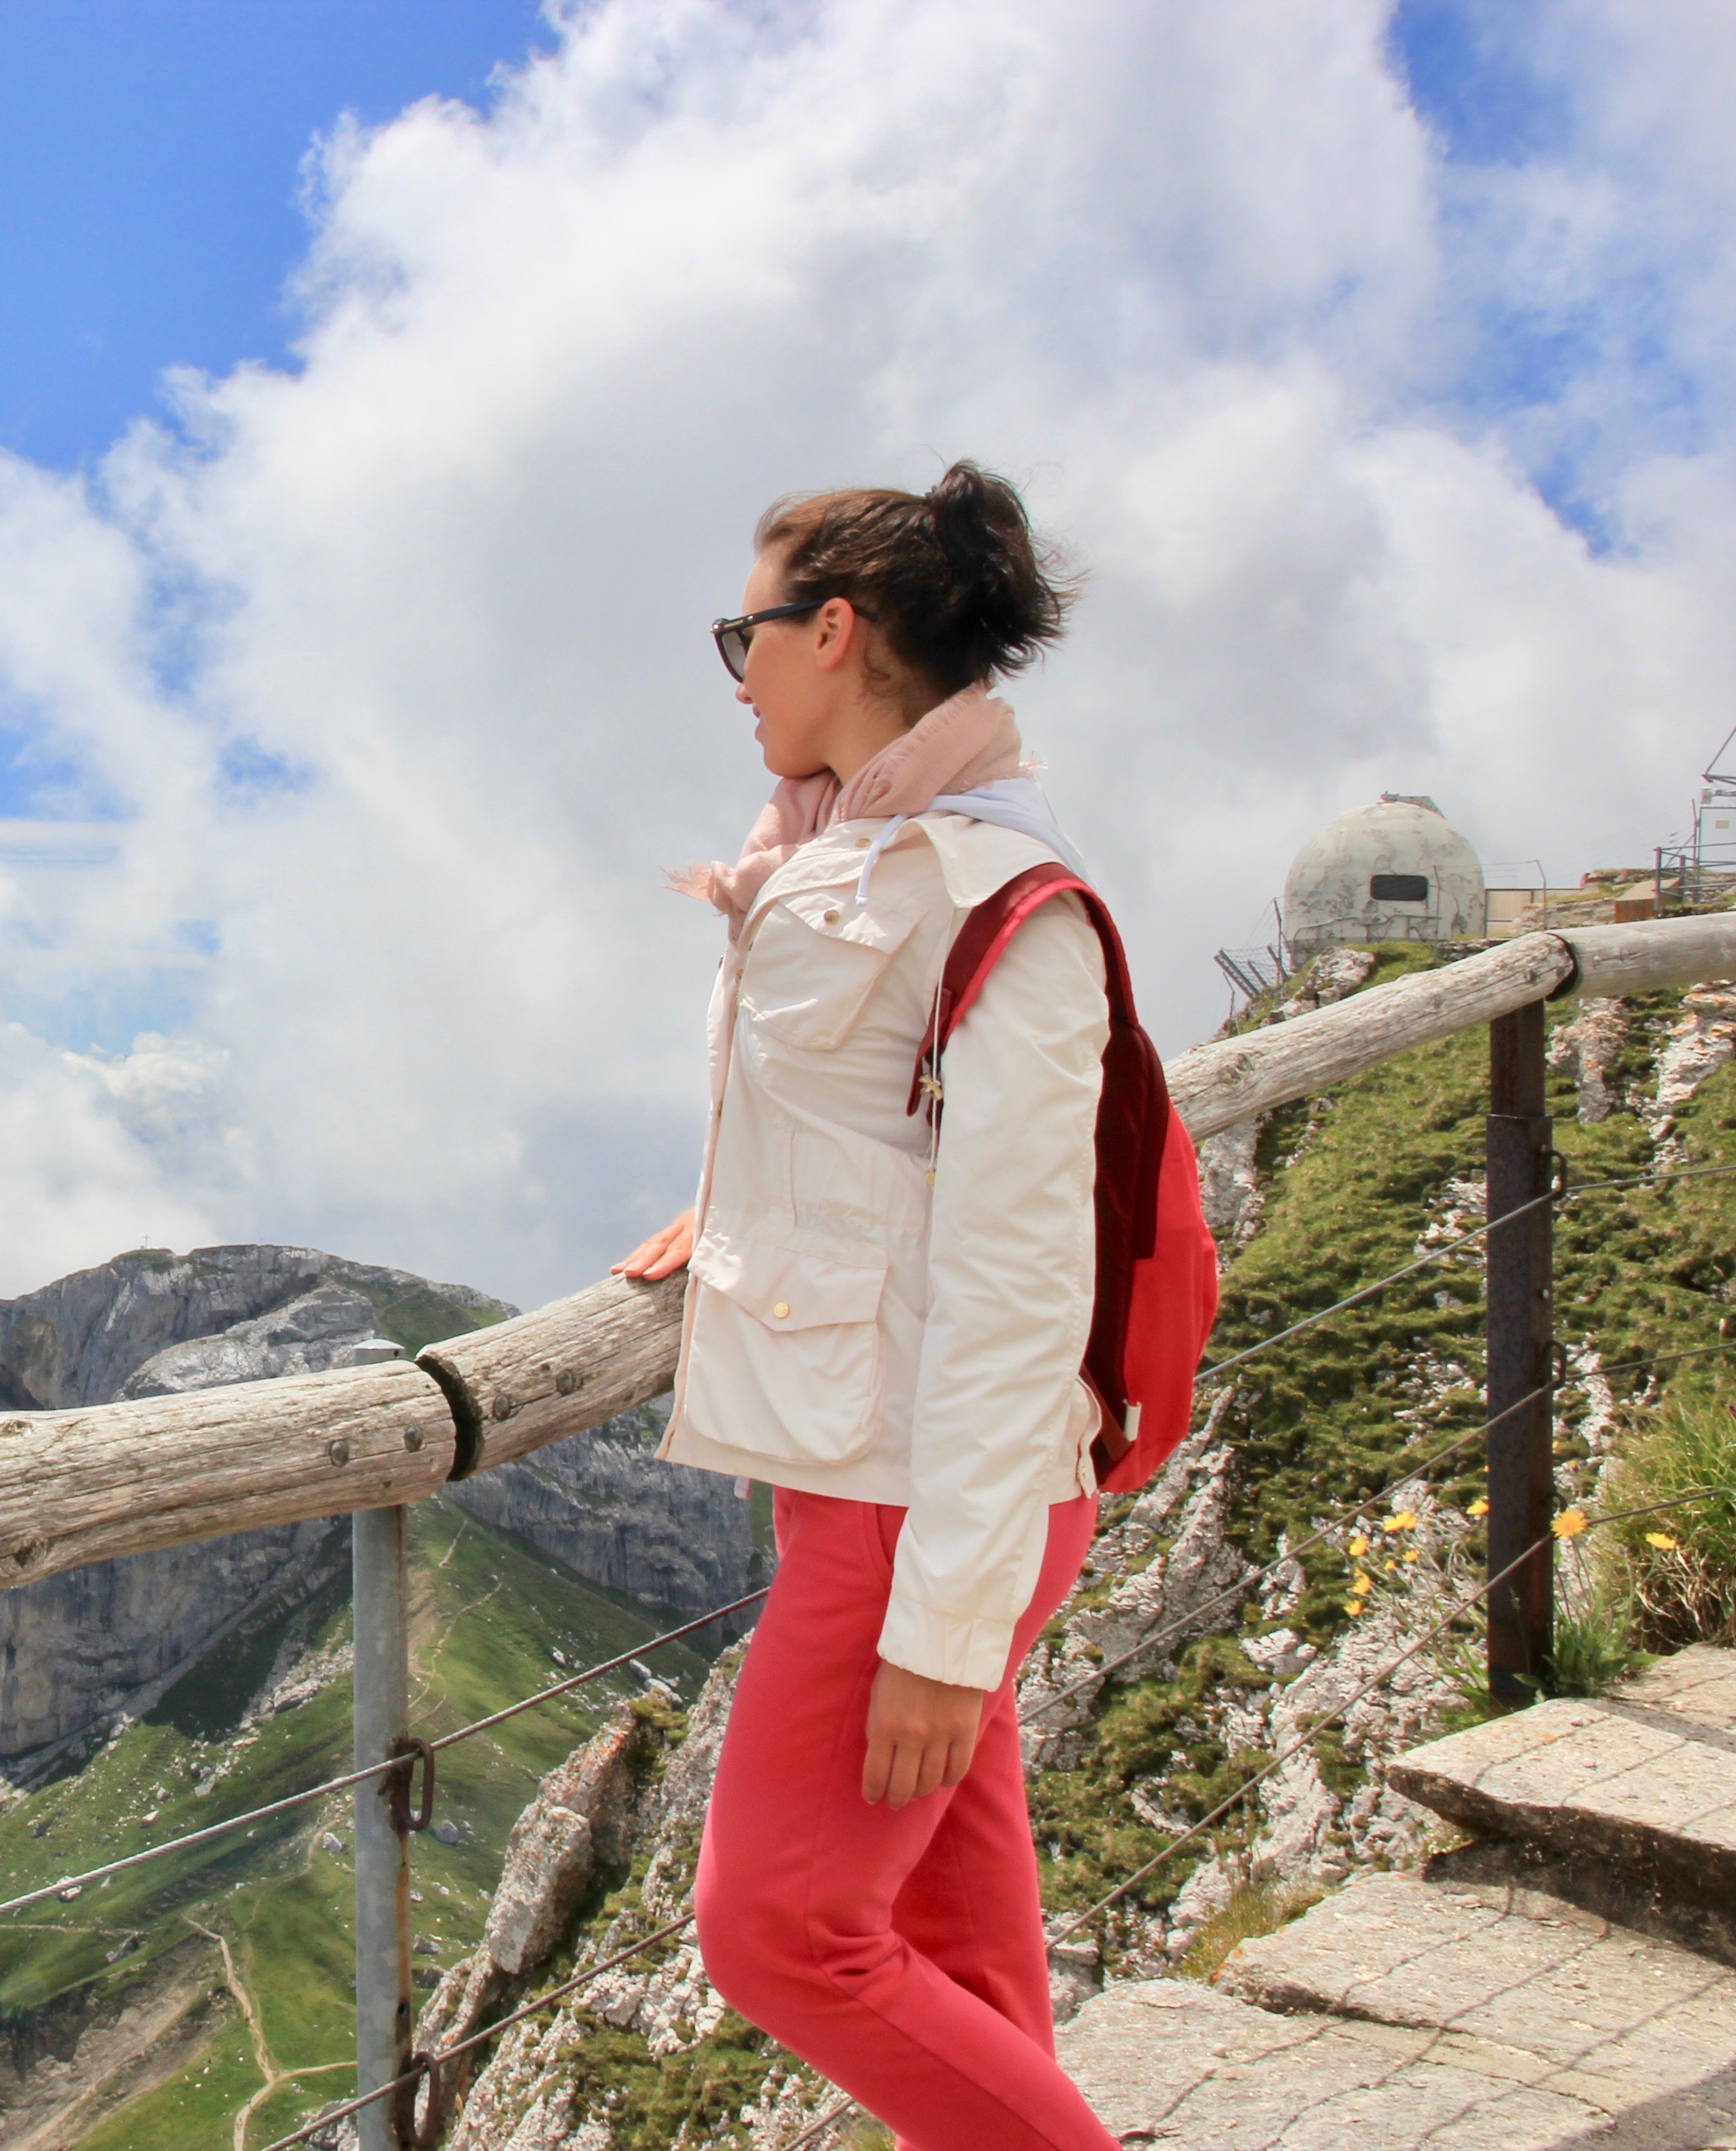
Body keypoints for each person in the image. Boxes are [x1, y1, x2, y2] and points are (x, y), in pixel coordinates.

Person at [612, 462, 1118, 2150]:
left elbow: (1023, 1278)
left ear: (834, 631)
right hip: (876, 1480)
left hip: (918, 1510)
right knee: (966, 1961)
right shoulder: (852, 856)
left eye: (743, 633)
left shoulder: (995, 899)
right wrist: (741, 1203)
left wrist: (943, 1631)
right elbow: (887, 1135)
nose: (736, 672)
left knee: (781, 1935)